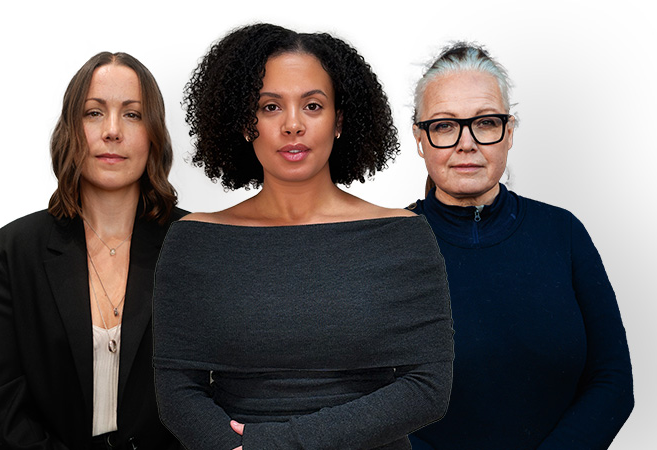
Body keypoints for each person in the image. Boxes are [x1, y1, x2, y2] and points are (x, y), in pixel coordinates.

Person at [152, 23, 454, 450]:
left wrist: (276, 445)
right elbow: (177, 391)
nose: (292, 125)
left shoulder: (402, 236)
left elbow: (428, 389)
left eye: (312, 106)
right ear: (244, 123)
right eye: (270, 107)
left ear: (339, 121)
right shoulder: (194, 242)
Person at [406, 42, 634, 449]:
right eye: (443, 125)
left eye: (486, 123)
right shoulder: (385, 242)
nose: (466, 143)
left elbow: (612, 379)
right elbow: (357, 393)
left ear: (508, 132)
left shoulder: (562, 233)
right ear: (420, 139)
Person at [0, 52, 185, 450]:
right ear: (71, 129)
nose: (112, 131)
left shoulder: (196, 244)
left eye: (132, 114)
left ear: (154, 133)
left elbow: (215, 391)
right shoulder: (12, 251)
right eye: (94, 113)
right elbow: (5, 402)